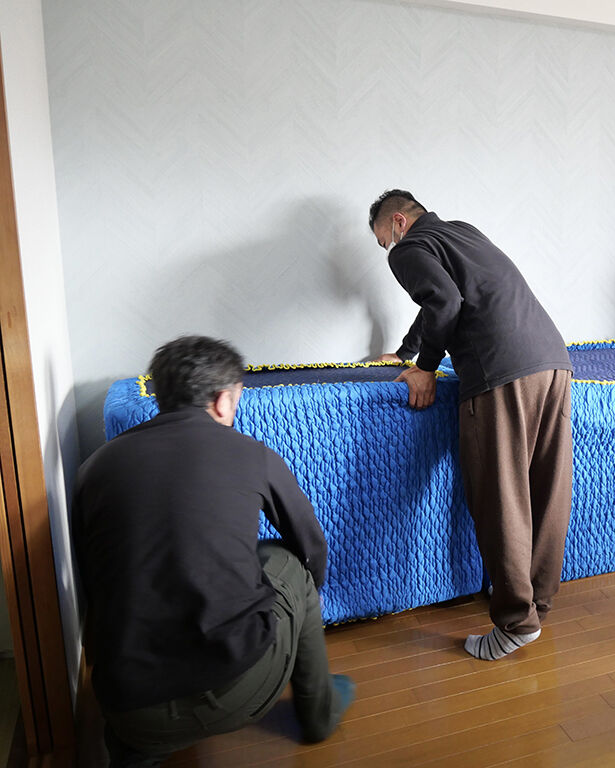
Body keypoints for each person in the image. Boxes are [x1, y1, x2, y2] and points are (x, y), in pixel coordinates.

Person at [73, 335, 354, 767]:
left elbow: (94, 576)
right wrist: (301, 603)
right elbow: (311, 547)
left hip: (128, 704)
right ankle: (319, 712)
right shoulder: (251, 454)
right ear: (223, 400)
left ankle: (138, 751)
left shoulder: (96, 466)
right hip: (237, 690)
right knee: (289, 562)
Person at [368, 189, 573, 661]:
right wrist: (406, 351)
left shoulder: (408, 249)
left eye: (384, 241)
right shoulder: (462, 232)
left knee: (500, 495)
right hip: (552, 361)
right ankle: (537, 600)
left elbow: (443, 301)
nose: (389, 251)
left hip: (500, 371)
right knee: (546, 489)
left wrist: (425, 366)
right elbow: (443, 299)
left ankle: (516, 622)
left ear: (398, 222)